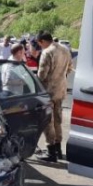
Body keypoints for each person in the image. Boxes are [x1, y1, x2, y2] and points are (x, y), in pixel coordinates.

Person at [35, 31, 72, 162]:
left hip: (48, 92)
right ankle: (58, 149)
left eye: (40, 44)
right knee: (58, 120)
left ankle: (51, 150)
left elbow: (42, 75)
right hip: (61, 89)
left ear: (42, 41)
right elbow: (69, 68)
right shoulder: (65, 49)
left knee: (48, 122)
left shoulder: (47, 52)